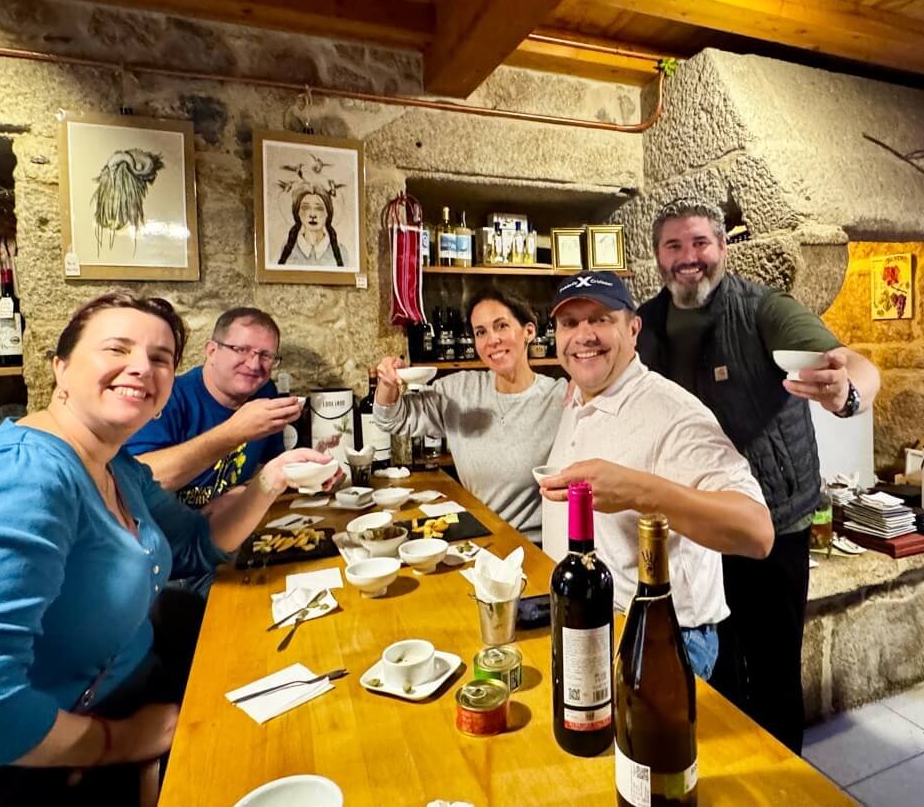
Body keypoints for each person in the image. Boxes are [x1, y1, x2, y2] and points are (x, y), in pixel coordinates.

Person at [0, 291, 338, 807]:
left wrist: (270, 481)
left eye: (159, 358)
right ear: (61, 368)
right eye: (117, 349)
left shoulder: (118, 470)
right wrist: (124, 742)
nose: (141, 367)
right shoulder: (18, 478)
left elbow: (195, 546)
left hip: (86, 729)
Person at [637, 197, 882, 753]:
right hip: (696, 525)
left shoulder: (763, 310)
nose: (688, 257)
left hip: (775, 524)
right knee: (712, 667)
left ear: (722, 248)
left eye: (700, 242)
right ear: (658, 256)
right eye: (674, 245)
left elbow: (857, 367)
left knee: (773, 671)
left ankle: (783, 784)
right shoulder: (644, 323)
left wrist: (847, 395)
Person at [536, 271, 774, 681]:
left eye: (601, 319)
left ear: (633, 329)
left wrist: (634, 491)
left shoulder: (671, 412)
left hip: (658, 639)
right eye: (570, 323)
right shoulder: (580, 393)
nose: (584, 335)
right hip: (588, 623)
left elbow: (756, 531)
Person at [373, 288, 564, 542]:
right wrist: (388, 382)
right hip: (476, 536)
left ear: (529, 331)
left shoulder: (560, 397)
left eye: (502, 326)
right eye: (480, 332)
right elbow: (391, 419)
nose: (492, 340)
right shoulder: (458, 390)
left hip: (533, 547)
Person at [126, 308, 302, 512]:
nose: (254, 365)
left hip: (230, 527)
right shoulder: (168, 396)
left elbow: (267, 467)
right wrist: (235, 431)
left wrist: (310, 472)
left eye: (265, 356)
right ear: (211, 351)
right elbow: (136, 481)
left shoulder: (266, 392)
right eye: (241, 350)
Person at [276, 186, 344, 267]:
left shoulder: (342, 251)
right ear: (297, 213)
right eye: (305, 208)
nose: (312, 215)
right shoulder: (286, 249)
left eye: (319, 208)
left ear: (328, 214)